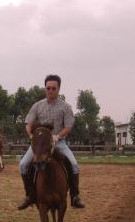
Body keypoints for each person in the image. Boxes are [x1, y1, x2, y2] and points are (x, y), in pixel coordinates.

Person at [18, 74, 85, 209]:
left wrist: (58, 136)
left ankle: (74, 196)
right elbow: (28, 123)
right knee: (23, 164)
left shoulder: (65, 107)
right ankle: (30, 195)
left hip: (58, 143)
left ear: (58, 89)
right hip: (40, 144)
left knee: (74, 164)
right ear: (45, 89)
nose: (50, 91)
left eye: (53, 88)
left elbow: (68, 127)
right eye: (48, 88)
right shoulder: (37, 106)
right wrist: (31, 135)